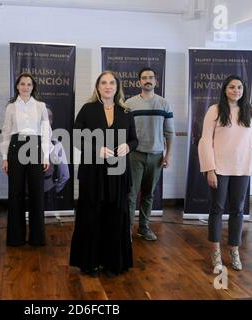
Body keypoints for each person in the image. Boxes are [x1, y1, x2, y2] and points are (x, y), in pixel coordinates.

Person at [198, 75, 252, 272]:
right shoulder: (214, 110)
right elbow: (205, 141)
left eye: (239, 87)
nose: (236, 90)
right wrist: (209, 169)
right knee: (217, 209)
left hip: (242, 167)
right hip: (219, 168)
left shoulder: (249, 110)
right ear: (225, 89)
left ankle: (234, 250)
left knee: (238, 210)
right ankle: (215, 253)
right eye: (232, 87)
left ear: (243, 90)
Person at [69, 71, 138, 277]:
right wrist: (96, 149)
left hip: (118, 173)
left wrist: (128, 146)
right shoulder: (88, 109)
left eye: (111, 83)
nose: (108, 86)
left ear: (117, 87)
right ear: (98, 87)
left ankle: (112, 262)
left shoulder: (126, 112)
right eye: (103, 83)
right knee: (91, 215)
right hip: (93, 171)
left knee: (115, 216)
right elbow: (75, 136)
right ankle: (90, 262)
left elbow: (134, 140)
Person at [0, 73, 51, 246]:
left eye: (29, 84)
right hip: (16, 147)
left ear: (33, 87)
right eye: (22, 84)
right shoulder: (11, 107)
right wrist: (5, 157)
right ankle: (15, 238)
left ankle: (37, 238)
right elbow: (6, 132)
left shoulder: (41, 106)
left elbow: (46, 131)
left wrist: (46, 155)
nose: (25, 87)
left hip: (35, 147)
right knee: (16, 193)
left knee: (37, 193)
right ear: (17, 86)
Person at [125, 67, 175, 241]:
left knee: (149, 194)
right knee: (131, 194)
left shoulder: (164, 104)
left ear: (156, 81)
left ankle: (144, 228)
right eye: (144, 77)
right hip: (135, 155)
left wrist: (168, 155)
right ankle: (128, 229)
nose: (147, 80)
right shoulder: (129, 104)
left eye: (151, 77)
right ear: (139, 82)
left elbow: (169, 132)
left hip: (156, 156)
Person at [44, 107, 70, 211]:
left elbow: (65, 175)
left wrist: (54, 188)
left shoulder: (56, 144)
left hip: (48, 192)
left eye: (48, 118)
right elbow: (65, 175)